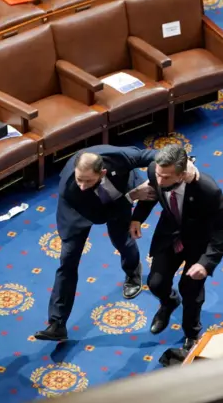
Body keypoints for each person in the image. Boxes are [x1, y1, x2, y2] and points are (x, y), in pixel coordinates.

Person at [34, 145, 198, 342]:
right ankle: (57, 323)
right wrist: (132, 196)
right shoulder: (72, 188)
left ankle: (132, 272)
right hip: (79, 214)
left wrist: (181, 164)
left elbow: (149, 156)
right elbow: (99, 216)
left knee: (121, 240)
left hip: (118, 197)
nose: (83, 185)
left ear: (102, 172)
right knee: (67, 263)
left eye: (88, 180)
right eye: (80, 179)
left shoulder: (116, 157)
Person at [129, 144, 223, 351]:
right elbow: (151, 193)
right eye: (158, 174)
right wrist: (137, 218)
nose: (160, 180)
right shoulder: (156, 171)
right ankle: (168, 303)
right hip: (169, 236)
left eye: (166, 177)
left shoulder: (207, 189)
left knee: (191, 291)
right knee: (156, 283)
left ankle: (191, 333)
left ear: (182, 174)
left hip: (198, 244)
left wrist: (206, 263)